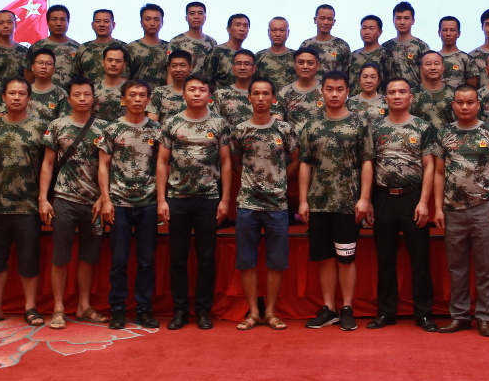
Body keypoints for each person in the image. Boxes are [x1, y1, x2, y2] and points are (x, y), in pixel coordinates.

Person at [360, 76, 439, 331]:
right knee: (385, 259)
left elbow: (430, 167)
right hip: (383, 198)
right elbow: (369, 164)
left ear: (410, 97)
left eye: (402, 92)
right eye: (392, 92)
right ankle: (386, 312)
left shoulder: (423, 127)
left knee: (420, 259)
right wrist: (367, 199)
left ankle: (423, 314)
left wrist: (424, 202)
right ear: (385, 98)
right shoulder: (375, 128)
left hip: (413, 198)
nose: (397, 96)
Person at [156, 74, 232, 331]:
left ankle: (202, 310)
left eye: (202, 89)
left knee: (206, 258)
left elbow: (226, 162)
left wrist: (225, 199)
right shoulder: (171, 123)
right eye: (192, 89)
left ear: (209, 94)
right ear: (184, 94)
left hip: (208, 200)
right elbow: (161, 163)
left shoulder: (219, 123)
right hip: (177, 200)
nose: (197, 93)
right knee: (178, 258)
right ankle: (180, 310)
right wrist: (161, 200)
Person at [0, 77, 48, 328]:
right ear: (4, 97)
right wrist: (3, 178)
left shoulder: (40, 127)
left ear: (29, 98)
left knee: (29, 259)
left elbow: (48, 164)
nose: (17, 97)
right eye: (12, 93)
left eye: (22, 93)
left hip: (28, 206)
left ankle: (30, 307)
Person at [297, 70, 369, 331]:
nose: (335, 94)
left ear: (347, 92)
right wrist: (303, 200)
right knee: (325, 257)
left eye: (340, 89)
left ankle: (347, 307)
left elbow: (367, 162)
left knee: (346, 258)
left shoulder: (359, 124)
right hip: (318, 204)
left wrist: (364, 198)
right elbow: (305, 164)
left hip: (348, 204)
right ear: (322, 91)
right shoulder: (311, 125)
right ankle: (329, 308)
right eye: (329, 89)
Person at [433, 85, 489, 337]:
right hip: (452, 210)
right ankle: (460, 316)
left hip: (483, 208)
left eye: (470, 102)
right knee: (457, 268)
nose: (465, 107)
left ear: (478, 105)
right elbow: (439, 173)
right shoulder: (443, 133)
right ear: (453, 105)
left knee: (486, 267)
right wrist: (438, 208)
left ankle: (485, 317)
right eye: (460, 102)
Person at [229, 77, 298, 330]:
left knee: (276, 262)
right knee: (246, 261)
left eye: (266, 93)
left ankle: (270, 312)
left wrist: (279, 181)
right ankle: (254, 312)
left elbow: (296, 160)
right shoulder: (240, 130)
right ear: (249, 97)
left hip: (277, 206)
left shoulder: (285, 129)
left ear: (273, 98)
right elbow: (235, 162)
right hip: (247, 204)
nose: (260, 98)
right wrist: (252, 182)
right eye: (256, 93)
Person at [38, 78, 106, 329]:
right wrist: (43, 198)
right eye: (77, 95)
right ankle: (58, 308)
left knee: (88, 257)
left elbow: (107, 167)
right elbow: (47, 164)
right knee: (60, 256)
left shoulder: (104, 128)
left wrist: (104, 197)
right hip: (64, 200)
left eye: (87, 94)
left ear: (93, 98)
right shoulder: (57, 126)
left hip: (94, 203)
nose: (82, 99)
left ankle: (83, 306)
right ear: (68, 99)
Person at [98, 79, 163, 330]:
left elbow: (162, 166)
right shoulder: (112, 129)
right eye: (132, 95)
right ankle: (117, 309)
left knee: (146, 261)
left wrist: (161, 200)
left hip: (148, 203)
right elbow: (103, 166)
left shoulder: (157, 130)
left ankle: (144, 309)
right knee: (119, 260)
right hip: (119, 202)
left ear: (148, 100)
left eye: (142, 95)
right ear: (123, 99)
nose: (137, 99)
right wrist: (105, 200)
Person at [27, 5, 82, 86]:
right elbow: (28, 78)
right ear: (48, 22)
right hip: (43, 93)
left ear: (68, 22)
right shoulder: (36, 47)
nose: (58, 23)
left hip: (70, 93)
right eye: (54, 19)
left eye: (63, 19)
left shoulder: (78, 48)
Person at [385, 1, 432, 89]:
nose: (402, 22)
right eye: (398, 18)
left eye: (406, 18)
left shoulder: (421, 46)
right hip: (391, 94)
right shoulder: (385, 47)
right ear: (393, 20)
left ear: (413, 21)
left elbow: (426, 75)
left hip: (415, 94)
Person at [300, 4, 352, 78]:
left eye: (329, 19)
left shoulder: (342, 45)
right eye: (322, 18)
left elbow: (346, 74)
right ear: (315, 20)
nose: (326, 22)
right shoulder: (306, 45)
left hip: (334, 85)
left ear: (334, 22)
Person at [213, 49, 263, 125]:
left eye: (247, 64)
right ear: (233, 68)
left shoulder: (263, 94)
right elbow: (213, 122)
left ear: (254, 69)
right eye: (238, 64)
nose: (242, 67)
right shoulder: (220, 94)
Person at [279, 48, 324, 130]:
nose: (305, 66)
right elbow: (277, 122)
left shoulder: (327, 90)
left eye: (310, 63)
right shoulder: (284, 92)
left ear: (317, 66)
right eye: (301, 63)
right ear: (294, 64)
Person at [170, 1, 219, 76]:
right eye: (192, 13)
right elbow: (170, 71)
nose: (196, 17)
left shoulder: (212, 42)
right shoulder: (176, 42)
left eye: (200, 13)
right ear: (186, 18)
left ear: (205, 17)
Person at [126, 3, 169, 87]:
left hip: (163, 95)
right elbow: (124, 78)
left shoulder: (169, 47)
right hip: (138, 94)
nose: (152, 23)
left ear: (162, 23)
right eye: (148, 19)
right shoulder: (130, 48)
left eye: (156, 19)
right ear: (141, 22)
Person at [349, 14, 392, 97]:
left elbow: (391, 83)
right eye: (364, 28)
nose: (367, 32)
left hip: (377, 102)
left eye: (371, 28)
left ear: (380, 32)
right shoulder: (353, 55)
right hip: (354, 102)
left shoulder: (385, 55)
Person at [410, 51, 455, 129]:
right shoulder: (411, 95)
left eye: (437, 64)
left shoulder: (455, 94)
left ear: (443, 67)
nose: (433, 68)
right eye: (428, 64)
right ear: (421, 69)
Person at [147, 50, 194, 123]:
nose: (178, 69)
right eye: (174, 66)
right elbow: (153, 124)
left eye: (182, 65)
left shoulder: (197, 93)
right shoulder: (159, 92)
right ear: (169, 68)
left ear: (190, 67)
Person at [0, 9, 30, 83]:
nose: (5, 26)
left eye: (9, 22)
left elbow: (29, 80)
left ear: (15, 25)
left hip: (18, 90)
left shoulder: (25, 51)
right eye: (1, 23)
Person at [207, 13, 251, 89]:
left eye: (245, 26)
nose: (242, 29)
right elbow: (206, 80)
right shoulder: (217, 52)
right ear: (228, 29)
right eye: (238, 25)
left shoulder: (246, 55)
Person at [255, 17, 298, 94]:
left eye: (281, 30)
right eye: (274, 30)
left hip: (292, 99)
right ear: (268, 32)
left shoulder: (296, 57)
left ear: (288, 32)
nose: (277, 34)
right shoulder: (259, 56)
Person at [78, 9, 121, 83]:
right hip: (88, 90)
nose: (102, 24)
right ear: (92, 25)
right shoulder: (83, 48)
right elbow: (76, 75)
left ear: (113, 25)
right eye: (98, 21)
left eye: (106, 21)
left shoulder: (123, 48)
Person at [27, 48, 69, 122]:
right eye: (40, 63)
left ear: (53, 70)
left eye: (48, 64)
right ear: (32, 67)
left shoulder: (61, 94)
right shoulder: (24, 91)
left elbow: (63, 123)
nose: (44, 67)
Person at [438, 16, 480, 90]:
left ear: (458, 34)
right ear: (439, 33)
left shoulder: (467, 59)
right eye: (445, 30)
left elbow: (472, 90)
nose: (448, 34)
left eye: (452, 30)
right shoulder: (433, 58)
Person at [92, 43, 130, 121]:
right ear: (103, 63)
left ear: (124, 65)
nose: (113, 64)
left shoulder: (131, 90)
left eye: (118, 61)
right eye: (110, 60)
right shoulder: (93, 89)